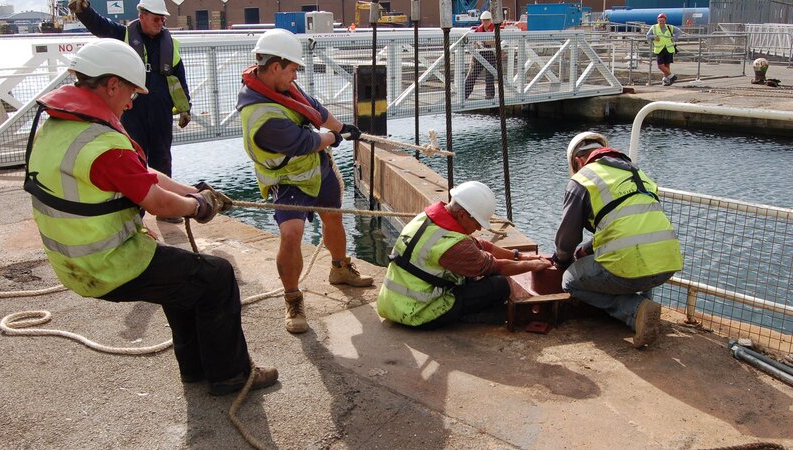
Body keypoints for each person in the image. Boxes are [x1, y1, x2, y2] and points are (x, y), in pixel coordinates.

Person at [23, 39, 277, 396]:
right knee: (217, 276)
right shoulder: (102, 145)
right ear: (112, 84)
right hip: (106, 263)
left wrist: (194, 191)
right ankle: (231, 375)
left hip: (72, 259)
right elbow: (156, 202)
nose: (131, 103)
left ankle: (195, 370)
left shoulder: (57, 127)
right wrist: (198, 207)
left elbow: (142, 175)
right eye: (131, 92)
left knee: (184, 283)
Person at [236, 28, 373, 335]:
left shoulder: (282, 86)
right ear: (275, 67)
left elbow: (314, 109)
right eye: (293, 69)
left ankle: (340, 269)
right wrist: (334, 137)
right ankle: (293, 299)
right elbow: (305, 142)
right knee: (291, 234)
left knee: (333, 217)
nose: (295, 75)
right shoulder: (261, 116)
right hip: (288, 179)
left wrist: (342, 126)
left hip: (317, 168)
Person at [552, 132, 683, 348]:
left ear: (578, 161)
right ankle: (647, 306)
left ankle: (636, 311)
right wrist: (587, 250)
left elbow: (567, 239)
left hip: (628, 266)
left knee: (569, 280)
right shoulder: (638, 174)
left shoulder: (583, 179)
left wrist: (561, 260)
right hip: (667, 264)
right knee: (637, 261)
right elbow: (628, 225)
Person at [69, 0, 192, 223]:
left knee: (163, 157)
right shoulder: (123, 35)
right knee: (134, 160)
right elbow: (100, 26)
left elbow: (179, 78)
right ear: (142, 15)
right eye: (156, 18)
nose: (160, 23)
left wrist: (186, 108)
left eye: (163, 19)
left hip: (161, 110)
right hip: (132, 109)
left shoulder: (170, 44)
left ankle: (167, 210)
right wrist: (84, 11)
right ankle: (136, 213)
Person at [376, 181, 552, 329]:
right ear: (462, 215)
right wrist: (532, 266)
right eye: (477, 222)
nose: (479, 228)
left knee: (470, 274)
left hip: (391, 303)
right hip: (417, 312)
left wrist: (518, 256)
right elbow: (495, 266)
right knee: (499, 285)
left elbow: (481, 245)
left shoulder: (427, 219)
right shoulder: (455, 245)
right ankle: (468, 315)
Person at [463, 11, 496, 100]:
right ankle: (464, 95)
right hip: (478, 55)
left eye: (487, 20)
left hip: (490, 54)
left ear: (491, 20)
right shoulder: (477, 30)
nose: (486, 22)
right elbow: (472, 40)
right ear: (481, 21)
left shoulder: (495, 29)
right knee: (472, 75)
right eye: (484, 20)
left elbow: (495, 41)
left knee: (490, 76)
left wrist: (483, 41)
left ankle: (489, 95)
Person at [646, 13, 681, 86]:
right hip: (659, 49)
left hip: (669, 48)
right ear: (657, 20)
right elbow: (648, 36)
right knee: (660, 66)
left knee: (667, 65)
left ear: (665, 21)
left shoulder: (669, 27)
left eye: (663, 21)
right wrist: (654, 37)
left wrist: (674, 38)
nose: (661, 22)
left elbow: (678, 31)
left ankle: (666, 80)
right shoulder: (654, 27)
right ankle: (672, 76)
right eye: (660, 21)